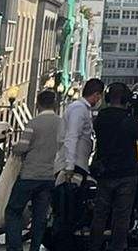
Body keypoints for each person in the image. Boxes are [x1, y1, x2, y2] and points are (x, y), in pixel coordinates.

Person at [90, 83, 138, 251]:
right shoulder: (129, 119)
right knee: (122, 215)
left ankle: (95, 246)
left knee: (100, 214)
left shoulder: (101, 117)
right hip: (126, 173)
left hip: (104, 171)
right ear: (125, 99)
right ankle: (117, 247)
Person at [6, 90, 61, 251]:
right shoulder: (61, 123)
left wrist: (14, 148)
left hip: (30, 175)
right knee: (40, 216)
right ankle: (35, 248)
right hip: (49, 177)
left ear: (38, 104)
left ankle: (15, 247)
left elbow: (22, 147)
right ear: (55, 105)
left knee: (13, 210)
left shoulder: (33, 123)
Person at [54, 79, 104, 251]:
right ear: (97, 95)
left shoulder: (83, 110)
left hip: (77, 165)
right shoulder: (79, 110)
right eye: (100, 96)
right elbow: (72, 137)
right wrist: (69, 167)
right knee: (69, 211)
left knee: (73, 210)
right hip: (73, 167)